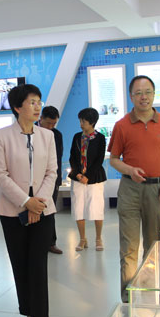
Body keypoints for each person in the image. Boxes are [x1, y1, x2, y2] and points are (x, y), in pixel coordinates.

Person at [0, 84, 57, 317]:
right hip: (12, 210)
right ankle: (28, 312)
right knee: (20, 264)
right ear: (17, 107)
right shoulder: (1, 136)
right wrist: (25, 202)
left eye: (39, 101)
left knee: (38, 265)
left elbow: (52, 172)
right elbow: (1, 175)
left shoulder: (47, 136)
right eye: (32, 102)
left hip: (43, 209)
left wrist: (37, 203)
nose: (37, 106)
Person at [108, 75, 160, 302]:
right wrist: (130, 170)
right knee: (129, 246)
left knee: (153, 244)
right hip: (130, 189)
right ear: (131, 96)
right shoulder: (122, 125)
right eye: (138, 93)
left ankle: (150, 291)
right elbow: (113, 159)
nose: (144, 97)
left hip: (157, 189)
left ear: (154, 94)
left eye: (148, 92)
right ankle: (128, 296)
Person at [68, 107, 107, 252]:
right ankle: (82, 239)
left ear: (92, 122)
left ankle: (98, 238)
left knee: (96, 208)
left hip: (94, 178)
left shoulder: (100, 138)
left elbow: (99, 160)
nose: (81, 124)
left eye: (83, 121)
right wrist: (77, 174)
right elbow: (72, 157)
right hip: (77, 178)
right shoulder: (77, 137)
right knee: (78, 208)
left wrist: (88, 176)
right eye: (80, 121)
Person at [38, 105, 63, 254]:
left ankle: (50, 243)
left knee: (49, 212)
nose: (51, 127)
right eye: (48, 123)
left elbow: (57, 160)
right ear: (41, 118)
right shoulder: (31, 132)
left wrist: (56, 180)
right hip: (33, 180)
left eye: (54, 124)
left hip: (51, 180)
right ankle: (36, 243)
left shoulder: (57, 135)